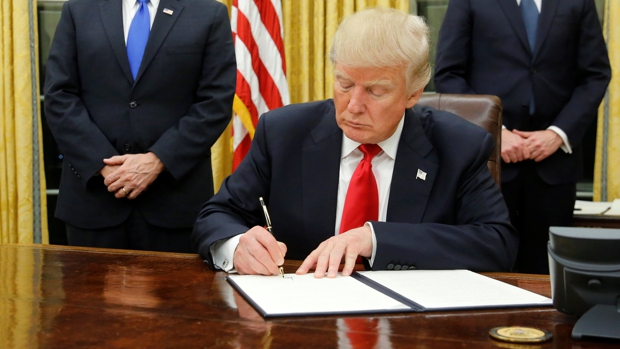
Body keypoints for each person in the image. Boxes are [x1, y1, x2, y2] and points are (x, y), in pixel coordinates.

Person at [192, 7, 518, 277]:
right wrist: (235, 246)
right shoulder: (283, 133)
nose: (354, 105)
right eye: (344, 83)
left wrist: (375, 239)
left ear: (414, 94)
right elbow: (217, 215)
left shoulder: (460, 146)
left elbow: (497, 243)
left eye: (376, 91)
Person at [434, 0, 611, 274]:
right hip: (486, 166)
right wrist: (496, 132)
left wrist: (557, 133)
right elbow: (449, 73)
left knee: (550, 274)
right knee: (487, 269)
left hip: (554, 167)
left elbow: (595, 75)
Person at [44, 0, 236, 252]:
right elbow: (59, 96)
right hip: (94, 202)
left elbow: (215, 102)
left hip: (173, 205)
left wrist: (157, 160)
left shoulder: (209, 13)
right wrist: (103, 165)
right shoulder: (78, 10)